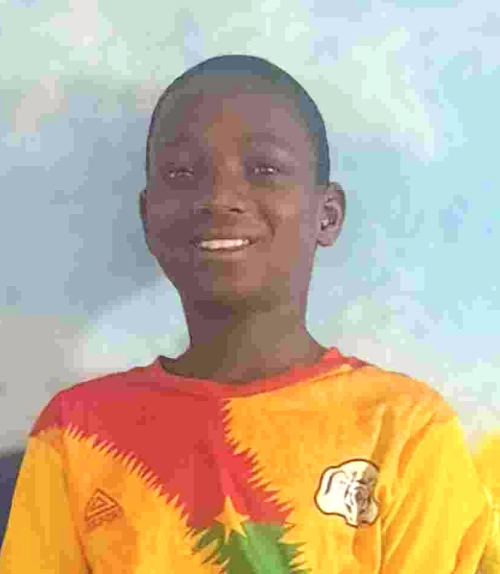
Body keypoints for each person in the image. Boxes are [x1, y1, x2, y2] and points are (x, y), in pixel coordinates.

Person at [0, 54, 498, 573]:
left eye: (265, 170)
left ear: (327, 215)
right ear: (148, 217)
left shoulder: (404, 428)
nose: (220, 197)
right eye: (182, 173)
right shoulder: (77, 434)